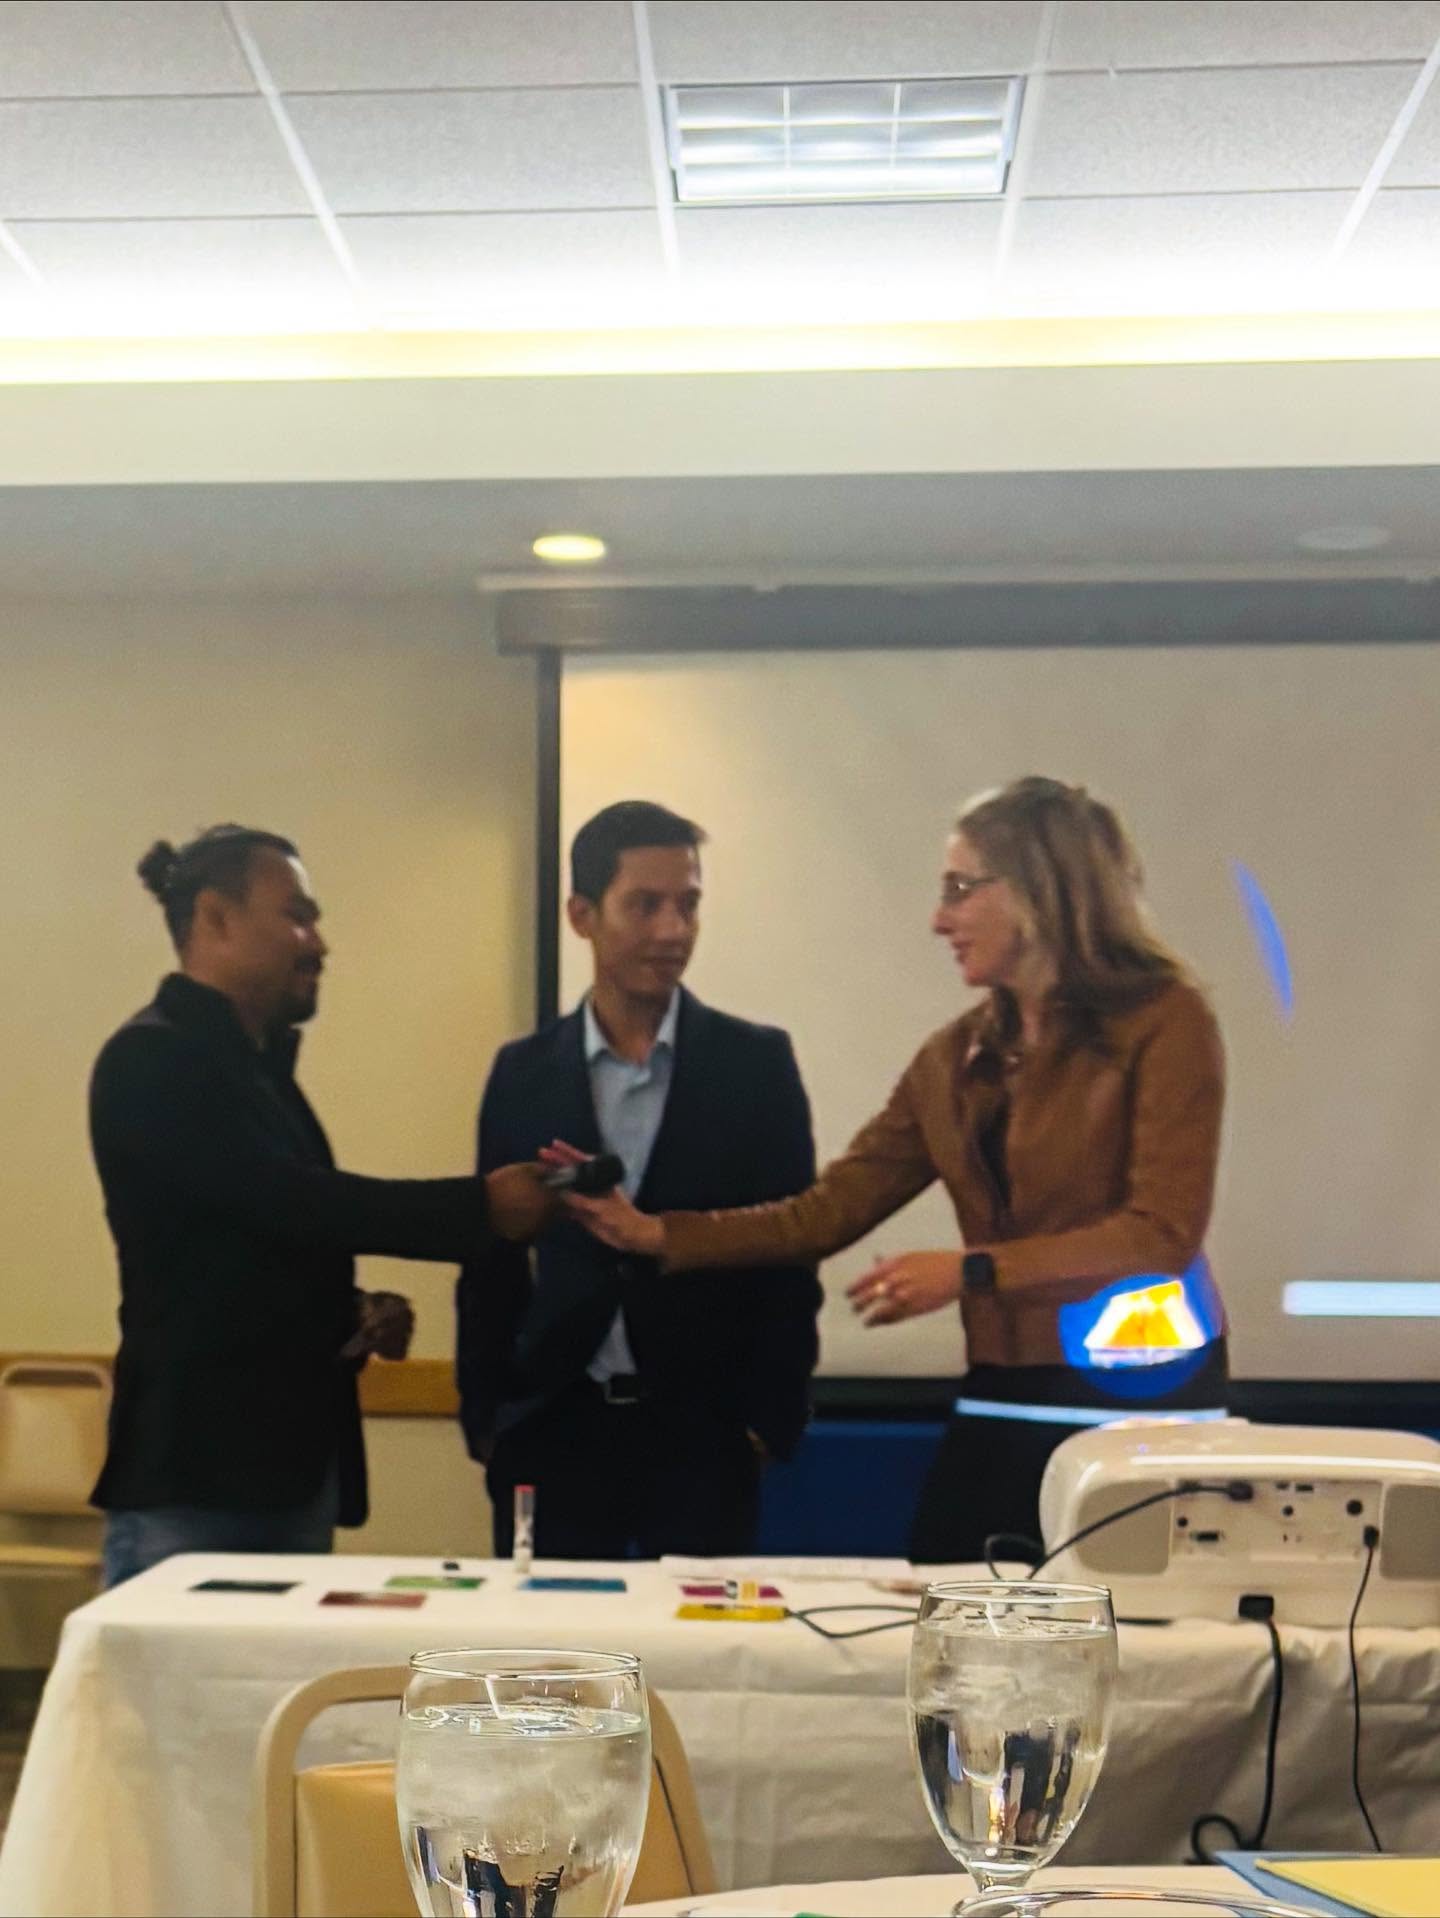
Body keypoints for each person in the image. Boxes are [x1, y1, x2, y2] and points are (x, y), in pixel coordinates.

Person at [558, 776, 1228, 1563]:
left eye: (961, 889)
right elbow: (825, 1212)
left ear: (1037, 889)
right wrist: (655, 1235)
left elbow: (1159, 1235)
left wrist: (971, 1272)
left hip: (1142, 1393)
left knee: (1132, 1626)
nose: (940, 919)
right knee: (957, 1605)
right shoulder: (954, 1057)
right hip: (1005, 1387)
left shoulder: (1165, 1021)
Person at [90, 824, 552, 1586]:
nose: (320, 944)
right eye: (298, 917)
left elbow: (243, 1246)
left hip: (283, 1474)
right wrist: (478, 1209)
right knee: (183, 1673)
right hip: (198, 1480)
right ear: (216, 918)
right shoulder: (152, 1058)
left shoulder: (259, 1075)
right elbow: (285, 1200)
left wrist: (349, 1312)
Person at [456, 800, 821, 1558]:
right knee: (545, 1636)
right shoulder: (523, 1072)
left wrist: (766, 1421)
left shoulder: (755, 1065)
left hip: (704, 1435)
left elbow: (791, 1251)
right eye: (645, 905)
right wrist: (487, 1416)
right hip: (553, 1425)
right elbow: (491, 1258)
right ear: (582, 915)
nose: (673, 931)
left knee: (697, 1638)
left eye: (688, 905)